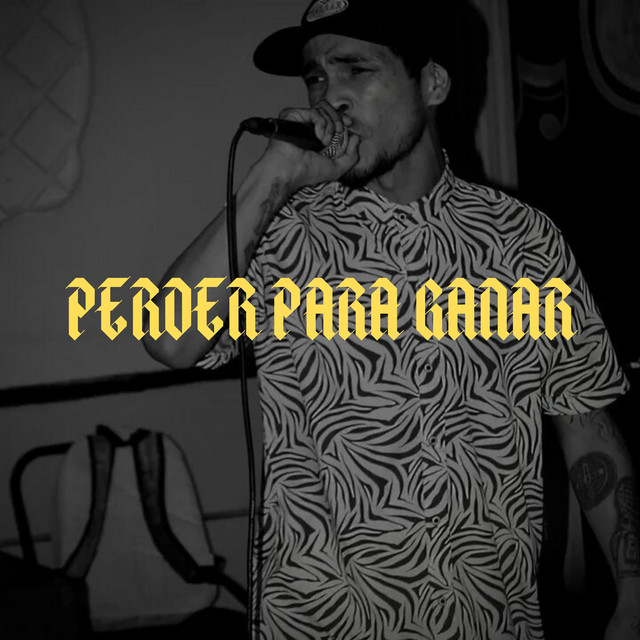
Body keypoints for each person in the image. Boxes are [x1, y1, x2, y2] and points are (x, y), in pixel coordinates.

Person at [143, 0, 640, 638]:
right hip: (317, 625)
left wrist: (633, 590)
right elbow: (169, 339)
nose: (331, 97)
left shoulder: (522, 240)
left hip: (486, 621)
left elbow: (586, 426)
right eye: (316, 77)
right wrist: (274, 174)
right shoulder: (282, 234)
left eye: (356, 69)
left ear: (431, 83)